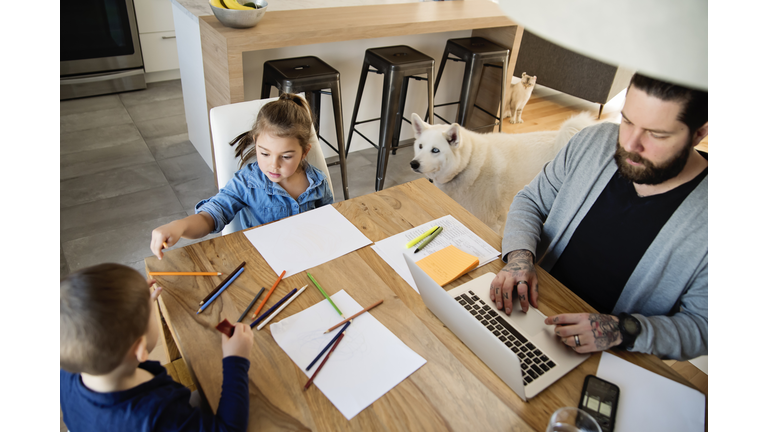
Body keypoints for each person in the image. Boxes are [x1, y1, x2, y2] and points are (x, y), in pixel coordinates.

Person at [489, 73, 708, 361]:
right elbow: (530, 200)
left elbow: (702, 328)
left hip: (615, 355)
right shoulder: (592, 142)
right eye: (627, 121)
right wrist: (519, 259)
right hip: (535, 308)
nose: (631, 144)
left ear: (699, 133)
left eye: (656, 134)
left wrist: (623, 329)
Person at [60, 263, 253, 431]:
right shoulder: (159, 414)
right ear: (140, 348)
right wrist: (236, 360)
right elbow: (229, 429)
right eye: (150, 314)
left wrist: (134, 306)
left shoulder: (71, 367)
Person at [150, 93, 335, 260]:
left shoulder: (317, 182)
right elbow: (211, 216)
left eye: (286, 157)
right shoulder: (246, 183)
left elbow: (328, 221)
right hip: (262, 262)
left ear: (304, 152)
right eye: (264, 153)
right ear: (256, 143)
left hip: (307, 257)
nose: (274, 164)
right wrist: (179, 226)